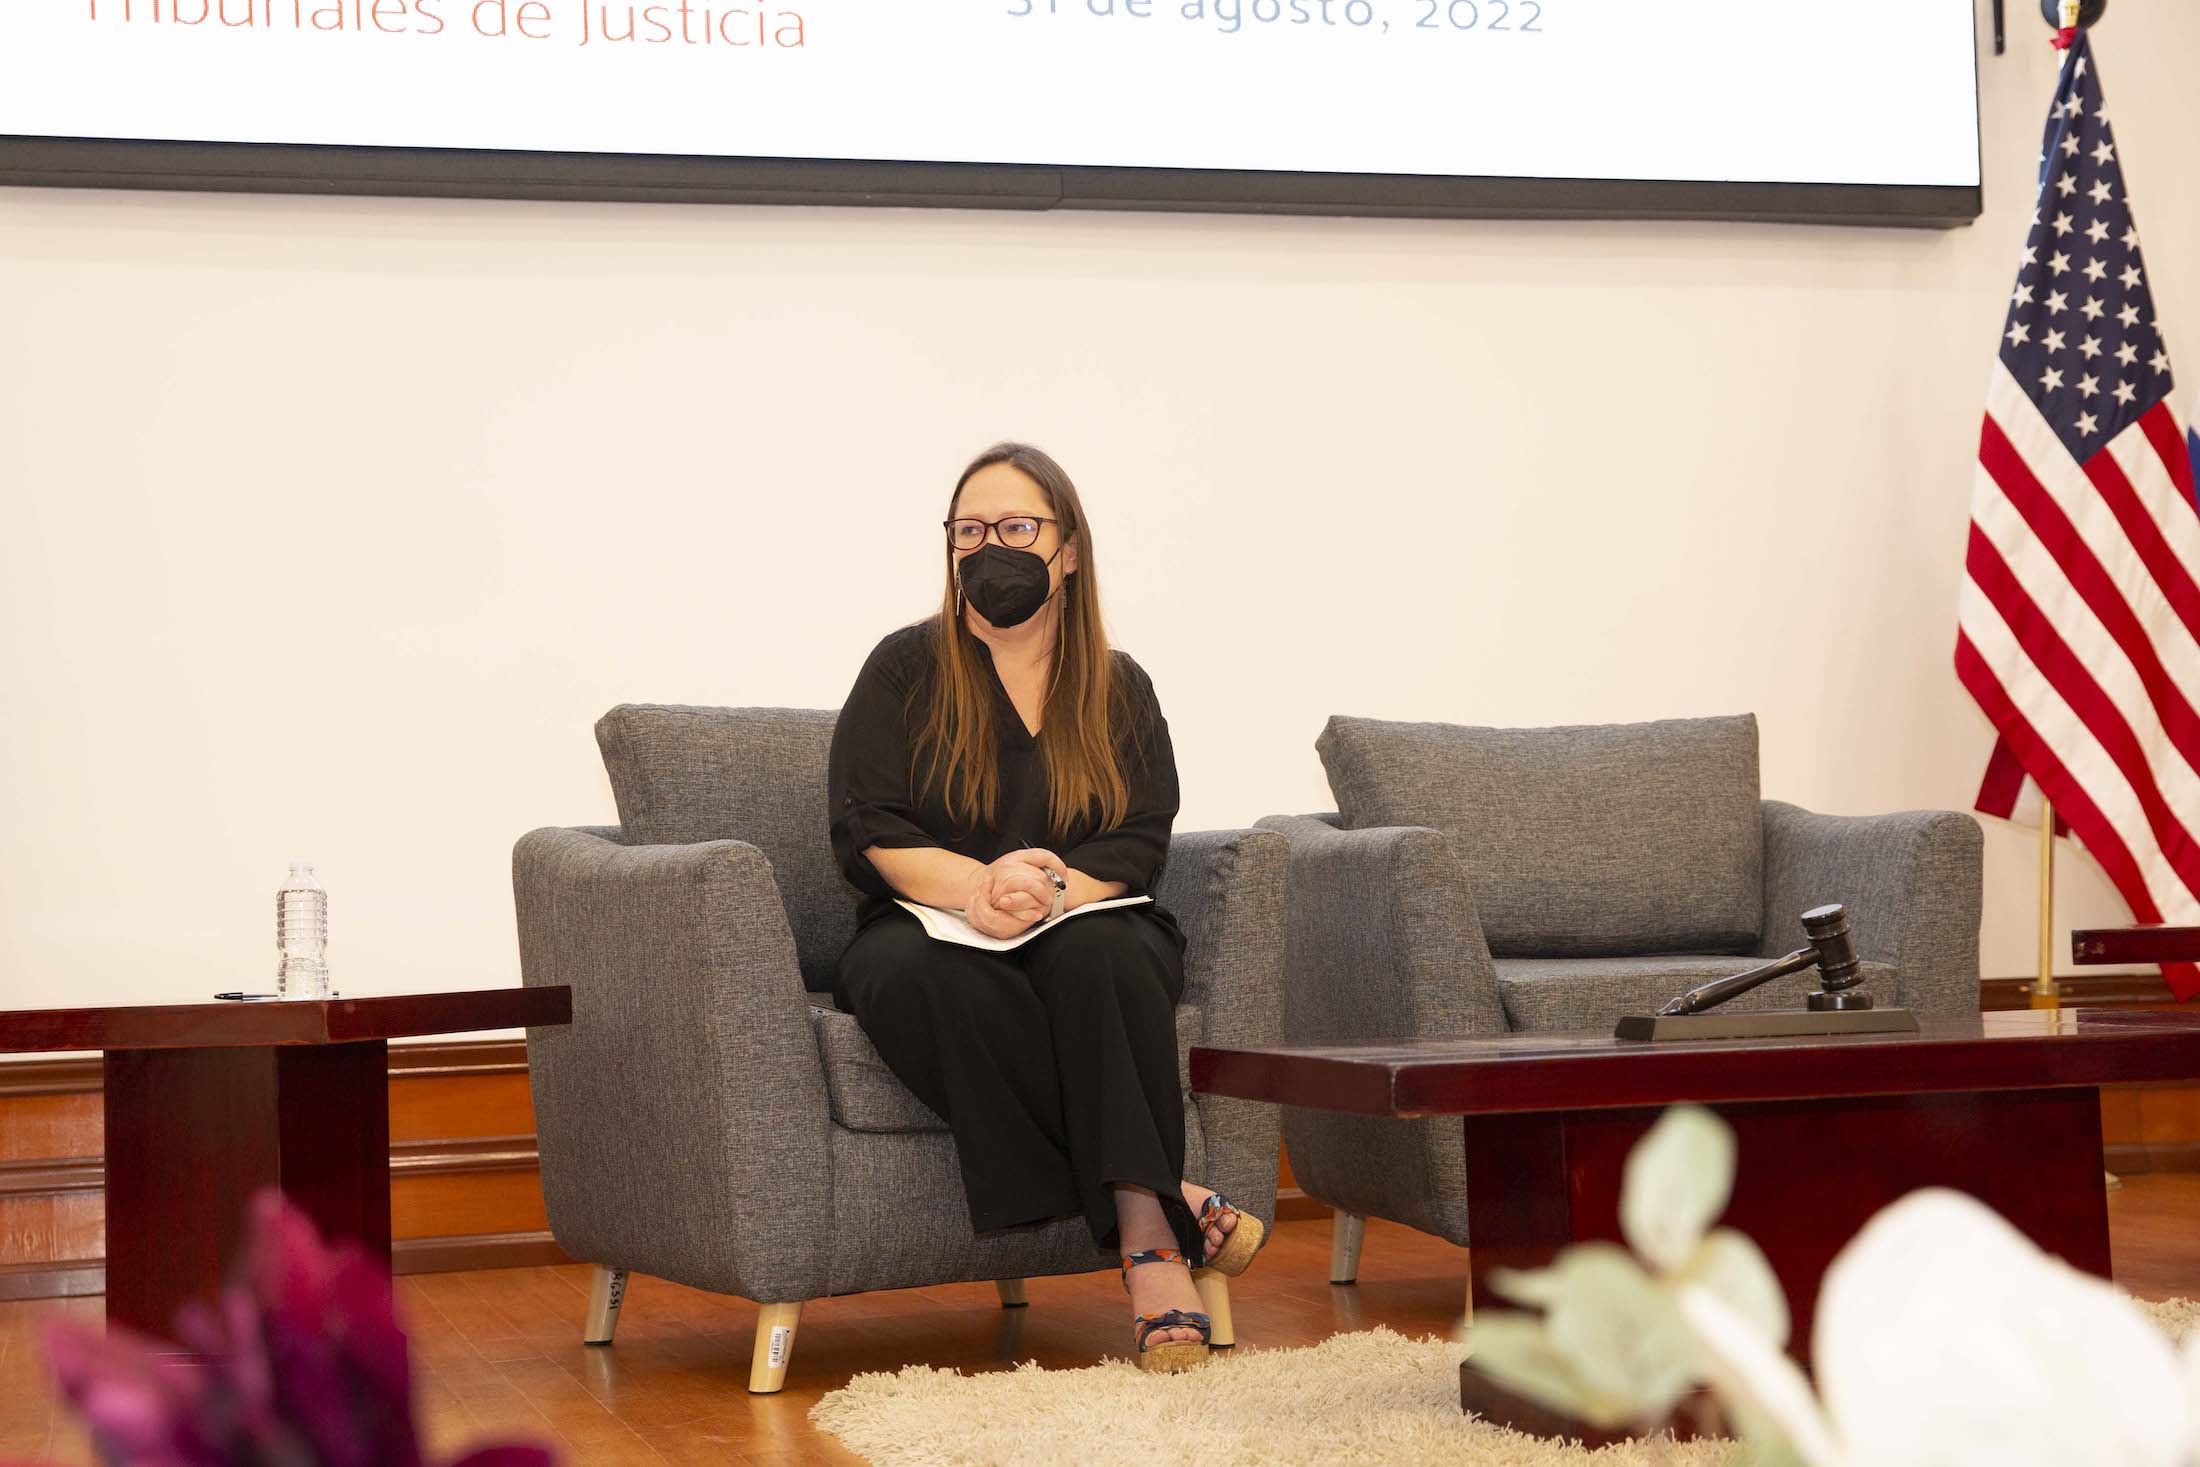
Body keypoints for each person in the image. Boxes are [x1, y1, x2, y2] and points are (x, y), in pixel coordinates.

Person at [826, 441, 1264, 1374]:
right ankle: (1162, 1202)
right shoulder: (902, 669)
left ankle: (1148, 1243)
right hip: (925, 923)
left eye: (1019, 527)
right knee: (924, 977)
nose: (993, 547)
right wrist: (976, 889)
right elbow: (867, 825)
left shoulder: (1117, 683)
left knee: (1105, 957)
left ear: (1068, 549)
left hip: (1087, 914)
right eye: (970, 530)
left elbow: (1143, 834)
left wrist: (1053, 888)